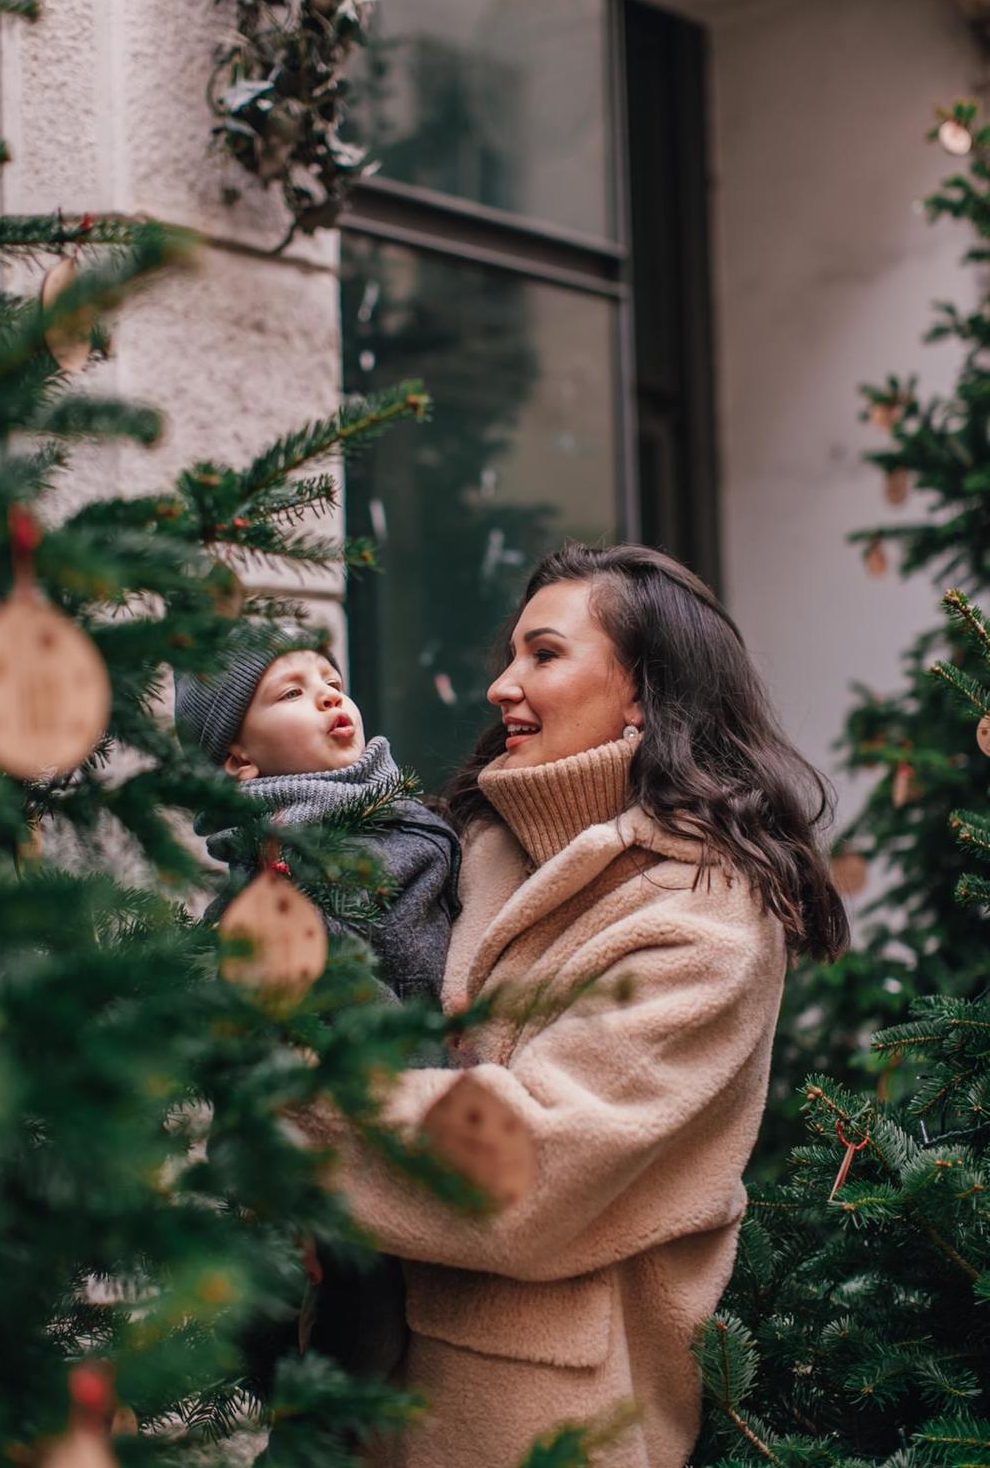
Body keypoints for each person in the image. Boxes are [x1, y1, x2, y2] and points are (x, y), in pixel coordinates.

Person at [295, 542, 851, 1468]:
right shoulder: (473, 849)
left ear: (642, 690)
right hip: (362, 1398)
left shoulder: (705, 914)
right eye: (510, 655)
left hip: (531, 1420)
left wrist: (288, 1105)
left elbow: (531, 1168)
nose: (502, 685)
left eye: (544, 655)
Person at [173, 626, 461, 1389]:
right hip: (337, 1131)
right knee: (353, 1332)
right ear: (238, 759)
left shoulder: (407, 816)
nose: (329, 695)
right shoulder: (276, 860)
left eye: (330, 679)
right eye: (291, 692)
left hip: (419, 1115)